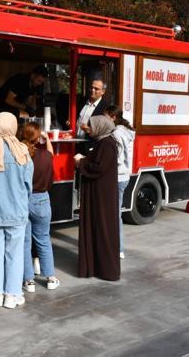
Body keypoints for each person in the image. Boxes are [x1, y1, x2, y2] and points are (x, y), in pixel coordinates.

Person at [0, 112, 33, 309]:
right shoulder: (23, 152)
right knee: (14, 253)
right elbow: (28, 186)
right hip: (16, 211)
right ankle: (12, 295)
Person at [75, 115, 120, 281]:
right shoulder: (103, 142)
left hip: (103, 196)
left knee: (103, 229)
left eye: (92, 126)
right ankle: (96, 266)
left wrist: (81, 163)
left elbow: (99, 168)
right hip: (100, 193)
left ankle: (106, 269)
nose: (90, 129)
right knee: (98, 228)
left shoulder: (107, 144)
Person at [19, 122, 60, 293]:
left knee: (25, 242)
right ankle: (50, 277)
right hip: (42, 200)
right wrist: (47, 138)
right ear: (38, 137)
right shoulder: (46, 155)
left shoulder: (21, 155)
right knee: (43, 239)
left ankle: (29, 281)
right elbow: (50, 151)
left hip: (24, 199)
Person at [105, 105, 135, 260]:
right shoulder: (125, 131)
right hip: (124, 176)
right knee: (115, 213)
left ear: (113, 117)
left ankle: (118, 248)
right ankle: (117, 247)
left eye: (106, 117)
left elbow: (115, 158)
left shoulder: (116, 134)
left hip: (117, 177)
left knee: (114, 215)